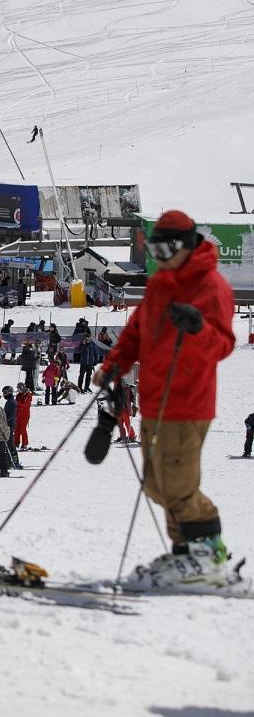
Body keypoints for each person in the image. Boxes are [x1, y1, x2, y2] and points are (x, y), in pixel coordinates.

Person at [93, 210, 236, 587]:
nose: (158, 255)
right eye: (153, 247)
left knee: (178, 485)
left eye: (165, 247)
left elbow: (223, 346)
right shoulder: (160, 285)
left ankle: (209, 553)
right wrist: (113, 365)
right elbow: (135, 334)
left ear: (186, 246)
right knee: (158, 484)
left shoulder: (212, 287)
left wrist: (198, 328)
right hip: (154, 402)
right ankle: (186, 554)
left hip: (188, 403)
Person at [14, 383, 33, 450]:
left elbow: (25, 404)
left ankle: (24, 444)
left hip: (25, 415)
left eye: (19, 388)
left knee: (23, 429)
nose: (19, 390)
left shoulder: (28, 395)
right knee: (16, 429)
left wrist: (17, 403)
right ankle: (16, 442)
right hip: (18, 414)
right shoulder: (18, 395)